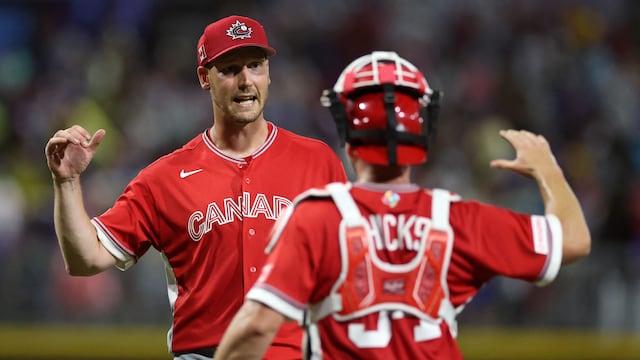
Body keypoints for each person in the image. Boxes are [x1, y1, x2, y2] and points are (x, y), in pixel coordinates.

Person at [214, 51, 591, 359]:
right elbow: (574, 240)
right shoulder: (458, 219)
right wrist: (549, 171)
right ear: (425, 127)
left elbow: (256, 327)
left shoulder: (316, 218)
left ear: (345, 127)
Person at [44, 15, 347, 360]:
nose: (246, 80)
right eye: (230, 69)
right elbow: (86, 259)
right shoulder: (165, 177)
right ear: (205, 78)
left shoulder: (317, 161)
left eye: (255, 65)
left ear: (269, 72)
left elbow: (349, 270)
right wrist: (66, 182)